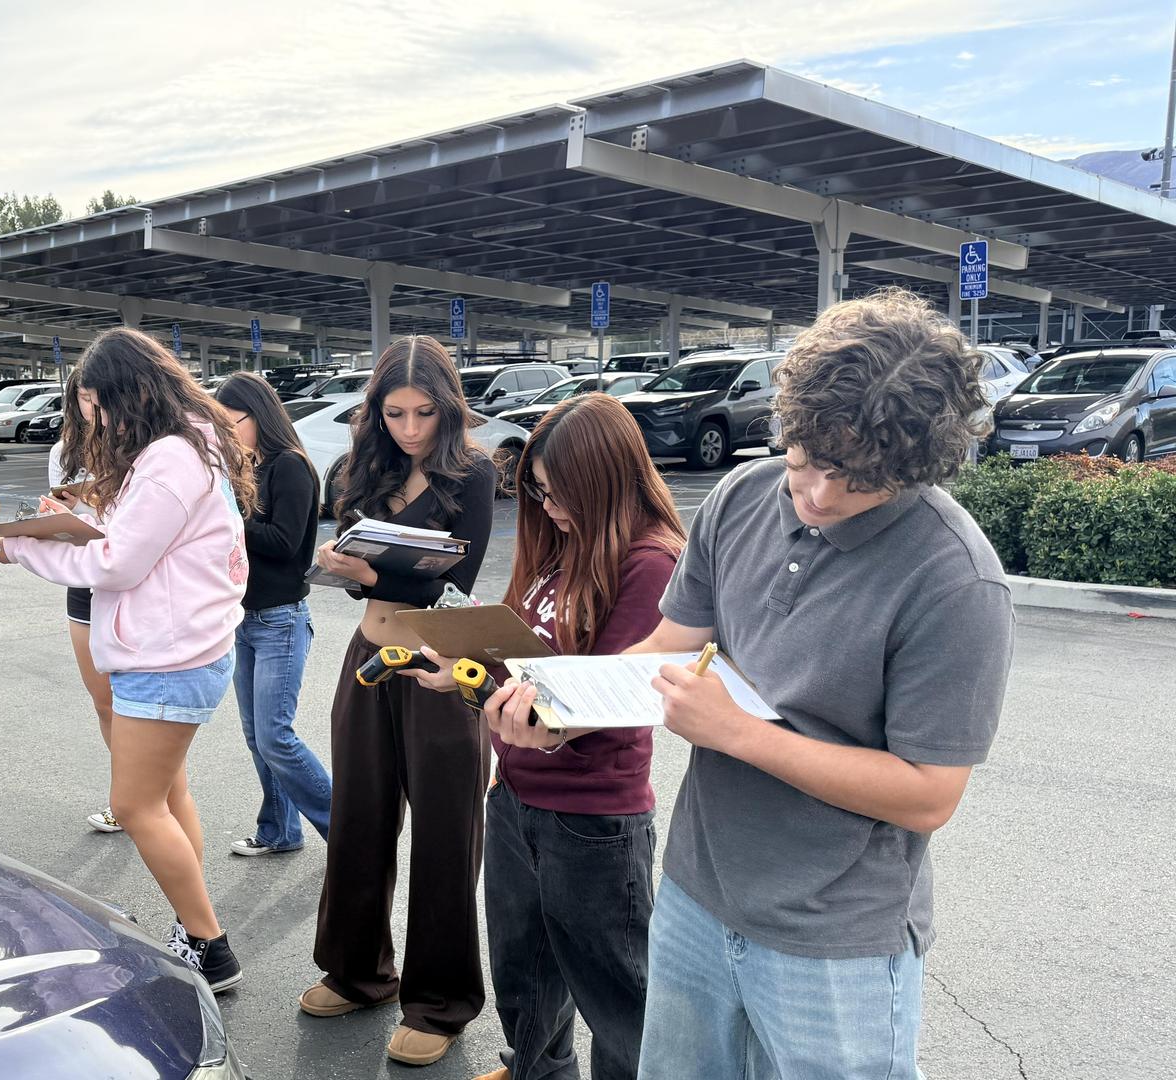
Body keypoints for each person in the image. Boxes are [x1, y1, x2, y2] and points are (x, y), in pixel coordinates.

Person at [624, 288, 1013, 1078]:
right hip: (697, 894)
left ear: (915, 465)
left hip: (837, 937)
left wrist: (738, 732)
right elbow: (668, 644)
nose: (821, 496)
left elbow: (928, 793)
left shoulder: (955, 581)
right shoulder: (737, 500)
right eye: (806, 462)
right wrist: (557, 703)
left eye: (857, 480)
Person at [404, 393, 684, 1080]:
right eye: (536, 491)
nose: (548, 508)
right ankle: (536, 1069)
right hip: (517, 796)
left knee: (618, 998)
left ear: (605, 481)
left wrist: (537, 718)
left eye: (560, 494)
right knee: (524, 973)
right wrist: (464, 673)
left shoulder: (650, 562)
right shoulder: (561, 548)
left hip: (594, 818)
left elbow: (622, 691)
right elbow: (523, 660)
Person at [0, 327, 256, 992]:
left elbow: (118, 562)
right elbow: (141, 540)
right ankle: (197, 927)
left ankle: (209, 945)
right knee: (166, 794)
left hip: (168, 655)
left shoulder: (169, 458)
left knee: (135, 806)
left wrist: (19, 547)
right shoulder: (188, 442)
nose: (90, 418)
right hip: (179, 647)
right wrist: (89, 509)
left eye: (93, 405)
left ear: (119, 396)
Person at [304, 335, 497, 1068]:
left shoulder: (473, 474)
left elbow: (454, 585)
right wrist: (345, 572)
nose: (411, 428)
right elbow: (360, 574)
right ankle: (358, 973)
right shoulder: (358, 469)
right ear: (375, 412)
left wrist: (368, 575)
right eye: (395, 413)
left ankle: (440, 1002)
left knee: (448, 835)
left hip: (443, 663)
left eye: (424, 413)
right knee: (358, 815)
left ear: (448, 408)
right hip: (367, 657)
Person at [213, 372, 330, 856]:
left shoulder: (290, 467)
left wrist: (230, 518)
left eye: (230, 422)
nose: (224, 434)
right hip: (243, 619)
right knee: (256, 736)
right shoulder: (246, 468)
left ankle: (351, 834)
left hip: (280, 618)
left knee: (276, 737)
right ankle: (280, 831)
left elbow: (285, 543)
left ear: (258, 415)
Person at [44, 390, 121, 835]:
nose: (91, 407)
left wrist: (94, 502)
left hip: (128, 584)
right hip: (84, 583)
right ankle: (124, 797)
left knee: (140, 706)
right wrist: (58, 516)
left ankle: (149, 796)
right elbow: (61, 525)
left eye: (97, 397)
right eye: (84, 398)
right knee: (104, 703)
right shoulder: (64, 452)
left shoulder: (140, 447)